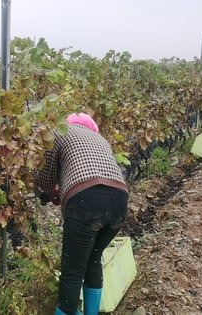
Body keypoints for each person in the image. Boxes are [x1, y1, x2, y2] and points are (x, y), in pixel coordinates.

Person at [36, 113, 129, 315]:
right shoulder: (100, 139)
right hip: (120, 201)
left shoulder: (59, 132)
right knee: (93, 260)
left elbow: (46, 178)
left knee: (72, 271)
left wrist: (44, 193)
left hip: (87, 202)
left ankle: (65, 311)